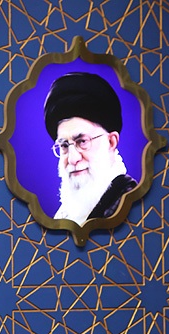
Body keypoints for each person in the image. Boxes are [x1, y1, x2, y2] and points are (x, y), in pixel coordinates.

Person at [44, 71, 137, 225]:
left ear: (111, 142)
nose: (73, 159)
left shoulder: (131, 206)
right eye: (64, 145)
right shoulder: (66, 212)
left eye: (82, 141)